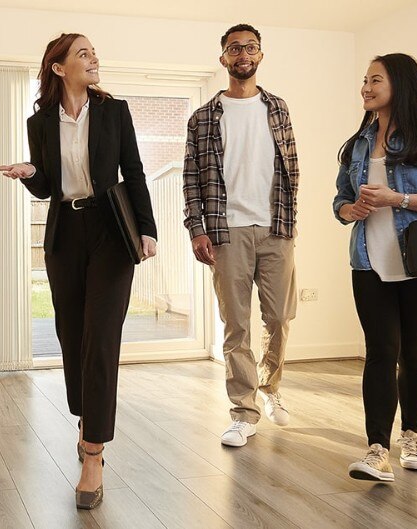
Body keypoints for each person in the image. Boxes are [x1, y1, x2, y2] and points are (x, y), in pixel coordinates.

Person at [0, 33, 157, 509]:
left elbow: (134, 170)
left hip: (112, 230)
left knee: (102, 336)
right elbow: (48, 186)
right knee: (72, 335)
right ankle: (87, 419)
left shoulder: (114, 110)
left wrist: (147, 229)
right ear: (59, 67)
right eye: (83, 53)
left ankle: (93, 453)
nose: (94, 58)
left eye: (93, 52)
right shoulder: (40, 122)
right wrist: (30, 173)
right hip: (66, 234)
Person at [333, 53, 417, 482]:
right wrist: (350, 209)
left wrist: (399, 199)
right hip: (368, 261)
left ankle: (411, 436)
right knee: (380, 353)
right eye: (364, 79)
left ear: (401, 84)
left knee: (413, 354)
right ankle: (377, 449)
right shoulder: (358, 142)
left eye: (375, 80)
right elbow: (339, 201)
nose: (366, 87)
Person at [182, 23, 301, 448]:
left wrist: (287, 220)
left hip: (276, 230)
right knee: (236, 326)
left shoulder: (278, 108)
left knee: (280, 319)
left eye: (251, 48)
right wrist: (197, 229)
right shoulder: (203, 118)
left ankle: (270, 388)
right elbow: (191, 180)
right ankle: (244, 411)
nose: (243, 54)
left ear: (261, 55)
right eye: (235, 49)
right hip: (226, 231)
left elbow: (291, 168)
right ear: (224, 59)